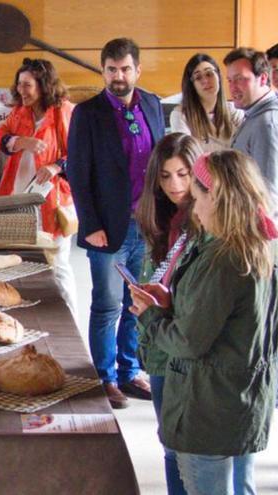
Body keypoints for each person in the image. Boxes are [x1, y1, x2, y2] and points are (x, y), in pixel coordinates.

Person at [130, 150, 278, 495]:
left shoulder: (225, 258)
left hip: (209, 406)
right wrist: (170, 303)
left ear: (219, 198)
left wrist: (151, 315)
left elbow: (188, 342)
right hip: (236, 398)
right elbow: (221, 319)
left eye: (197, 199)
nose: (194, 210)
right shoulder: (252, 244)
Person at [66, 38, 164, 409]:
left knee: (137, 302)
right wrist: (90, 223)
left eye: (125, 69)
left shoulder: (153, 104)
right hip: (107, 228)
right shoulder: (87, 113)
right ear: (102, 70)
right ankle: (105, 377)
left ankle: (129, 370)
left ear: (137, 70)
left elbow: (162, 162)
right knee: (107, 305)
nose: (118, 76)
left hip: (147, 225)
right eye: (111, 69)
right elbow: (77, 172)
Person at [134, 133, 202, 495]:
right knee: (170, 446)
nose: (175, 185)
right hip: (159, 345)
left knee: (192, 453)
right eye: (165, 176)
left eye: (183, 173)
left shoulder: (208, 222)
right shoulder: (161, 217)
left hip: (187, 350)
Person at [0, 58, 78, 318]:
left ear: (43, 85)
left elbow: (80, 153)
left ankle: (70, 318)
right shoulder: (19, 112)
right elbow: (1, 138)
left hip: (52, 203)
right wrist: (21, 141)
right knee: (17, 259)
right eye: (19, 84)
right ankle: (23, 314)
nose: (21, 91)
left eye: (27, 85)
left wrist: (55, 167)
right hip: (17, 198)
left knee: (57, 263)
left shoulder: (64, 111)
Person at [224, 47, 278, 199]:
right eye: (230, 80)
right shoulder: (254, 114)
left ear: (262, 78)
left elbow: (270, 195)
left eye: (240, 79)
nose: (232, 88)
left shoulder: (267, 124)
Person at [169, 53, 243, 152]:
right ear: (192, 85)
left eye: (209, 74)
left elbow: (248, 145)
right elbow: (187, 156)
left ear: (219, 77)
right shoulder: (181, 116)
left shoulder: (233, 110)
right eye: (198, 77)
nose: (205, 81)